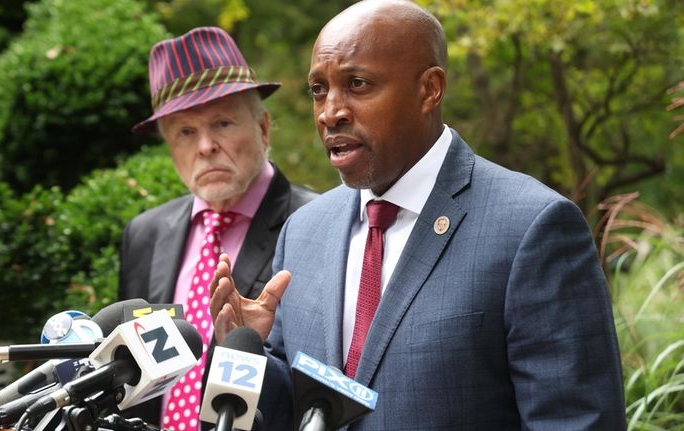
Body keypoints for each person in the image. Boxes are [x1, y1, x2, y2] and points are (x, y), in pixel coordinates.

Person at [209, 1, 626, 429]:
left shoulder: (531, 228)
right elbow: (295, 410)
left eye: (357, 84)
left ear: (430, 90)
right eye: (319, 89)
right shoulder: (304, 231)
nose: (330, 112)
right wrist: (248, 350)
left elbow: (576, 421)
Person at [118, 26, 316, 430]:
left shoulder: (318, 225)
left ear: (262, 128)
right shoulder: (145, 234)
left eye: (222, 123)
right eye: (186, 132)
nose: (204, 146)